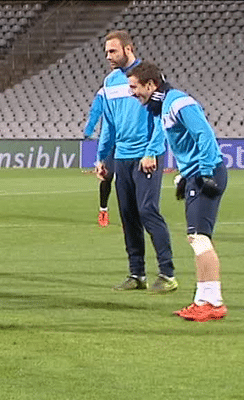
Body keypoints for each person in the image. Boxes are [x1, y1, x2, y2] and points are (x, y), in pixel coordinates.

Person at [127, 61, 228, 321]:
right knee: (197, 238)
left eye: (135, 87)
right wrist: (185, 174)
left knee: (200, 238)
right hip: (195, 173)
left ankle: (213, 302)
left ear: (151, 85)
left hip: (206, 173)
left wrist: (204, 172)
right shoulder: (165, 106)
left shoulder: (178, 103)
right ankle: (204, 299)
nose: (132, 92)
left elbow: (204, 134)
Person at [94, 31, 177, 293]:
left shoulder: (149, 77)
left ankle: (167, 273)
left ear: (128, 49)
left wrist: (152, 151)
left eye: (112, 51)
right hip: (121, 156)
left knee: (147, 211)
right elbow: (108, 123)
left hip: (146, 156)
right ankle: (136, 274)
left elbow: (160, 117)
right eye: (106, 51)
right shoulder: (109, 82)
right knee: (129, 216)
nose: (108, 56)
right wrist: (102, 156)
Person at [84, 87, 114, 227]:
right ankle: (103, 210)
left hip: (131, 139)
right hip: (110, 139)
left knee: (130, 179)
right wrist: (89, 129)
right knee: (107, 176)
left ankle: (132, 214)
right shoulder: (106, 90)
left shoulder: (136, 87)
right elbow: (96, 110)